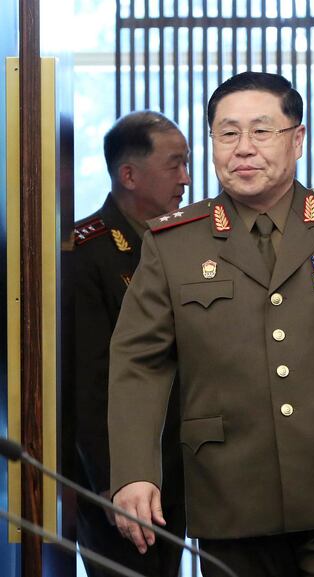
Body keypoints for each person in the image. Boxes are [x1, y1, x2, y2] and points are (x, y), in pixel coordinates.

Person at [107, 71, 314, 577]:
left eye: (261, 131)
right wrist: (134, 473)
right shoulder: (174, 243)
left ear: (298, 139)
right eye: (228, 133)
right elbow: (139, 364)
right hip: (229, 497)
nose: (243, 148)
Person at [73, 110, 190, 576]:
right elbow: (88, 380)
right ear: (129, 174)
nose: (186, 178)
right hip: (117, 475)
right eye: (175, 164)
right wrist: (111, 480)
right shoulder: (87, 252)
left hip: (177, 465)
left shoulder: (180, 243)